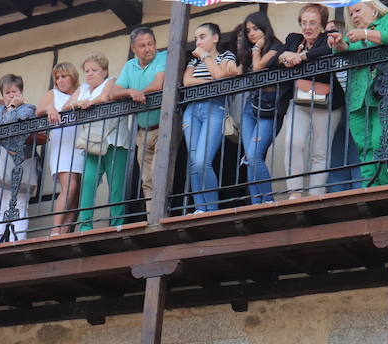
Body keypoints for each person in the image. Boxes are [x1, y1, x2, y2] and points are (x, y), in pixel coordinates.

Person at [278, 5, 351, 195]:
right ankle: (294, 193)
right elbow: (280, 58)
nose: (307, 27)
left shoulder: (328, 37)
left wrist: (302, 56)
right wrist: (284, 56)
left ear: (322, 25)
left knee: (320, 150)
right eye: (304, 22)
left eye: (312, 23)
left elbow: (328, 50)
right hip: (299, 99)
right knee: (293, 143)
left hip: (328, 101)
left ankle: (315, 194)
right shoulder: (293, 39)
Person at [339, 0, 388, 187]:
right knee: (365, 149)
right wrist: (338, 43)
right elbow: (343, 47)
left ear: (374, 9)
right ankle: (369, 191)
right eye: (351, 14)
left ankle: (385, 192)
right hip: (357, 99)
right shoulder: (354, 34)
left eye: (358, 10)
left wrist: (366, 34)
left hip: (387, 94)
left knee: (382, 145)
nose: (354, 16)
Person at [180, 23, 239, 214]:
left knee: (201, 160)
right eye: (196, 38)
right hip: (192, 110)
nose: (198, 42)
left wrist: (206, 57)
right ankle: (200, 208)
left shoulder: (226, 56)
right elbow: (186, 81)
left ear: (215, 38)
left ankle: (211, 208)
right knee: (193, 162)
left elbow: (220, 75)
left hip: (215, 107)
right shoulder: (193, 61)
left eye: (202, 36)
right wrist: (208, 81)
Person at [0, 74, 40, 245]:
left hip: (18, 163)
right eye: (7, 92)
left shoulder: (28, 109)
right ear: (2, 94)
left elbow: (11, 126)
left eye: (14, 91)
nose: (11, 95)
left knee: (19, 204)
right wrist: (0, 124)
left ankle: (17, 241)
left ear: (21, 92)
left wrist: (11, 108)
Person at [109, 27, 169, 202]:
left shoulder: (162, 57)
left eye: (150, 44)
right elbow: (114, 93)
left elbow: (158, 84)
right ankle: (152, 219)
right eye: (142, 45)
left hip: (163, 127)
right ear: (134, 49)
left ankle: (161, 216)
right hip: (142, 131)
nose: (148, 48)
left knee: (159, 173)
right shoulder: (130, 65)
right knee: (146, 180)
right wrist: (131, 92)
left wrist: (139, 92)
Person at [73, 53, 130, 231]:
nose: (89, 74)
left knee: (116, 184)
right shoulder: (83, 88)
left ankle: (117, 223)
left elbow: (105, 97)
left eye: (94, 70)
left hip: (115, 141)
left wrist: (86, 102)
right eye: (87, 71)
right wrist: (83, 101)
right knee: (88, 182)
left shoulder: (110, 81)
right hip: (93, 143)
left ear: (104, 71)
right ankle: (84, 225)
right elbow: (68, 105)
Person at [234, 12, 282, 204]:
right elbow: (238, 71)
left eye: (255, 29)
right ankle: (256, 202)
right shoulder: (249, 51)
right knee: (249, 159)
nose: (251, 33)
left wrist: (256, 49)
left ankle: (268, 200)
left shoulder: (276, 46)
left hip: (270, 109)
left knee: (254, 156)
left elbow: (258, 67)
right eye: (248, 31)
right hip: (250, 108)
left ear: (264, 27)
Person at [39, 63, 85, 236]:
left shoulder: (82, 91)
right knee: (70, 186)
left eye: (63, 76)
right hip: (63, 147)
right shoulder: (53, 94)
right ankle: (56, 229)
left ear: (73, 76)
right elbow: (38, 111)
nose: (60, 80)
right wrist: (50, 107)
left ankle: (66, 232)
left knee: (76, 195)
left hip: (81, 145)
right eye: (57, 78)